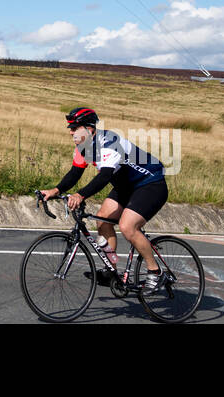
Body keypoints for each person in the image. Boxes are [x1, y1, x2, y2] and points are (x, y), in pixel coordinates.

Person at [37, 107, 169, 291]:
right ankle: (111, 271)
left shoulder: (109, 142)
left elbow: (105, 176)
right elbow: (75, 172)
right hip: (126, 186)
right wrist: (55, 190)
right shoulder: (82, 146)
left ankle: (156, 272)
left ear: (89, 129)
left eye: (75, 128)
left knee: (127, 226)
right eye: (70, 128)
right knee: (102, 222)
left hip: (150, 183)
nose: (71, 132)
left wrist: (80, 194)